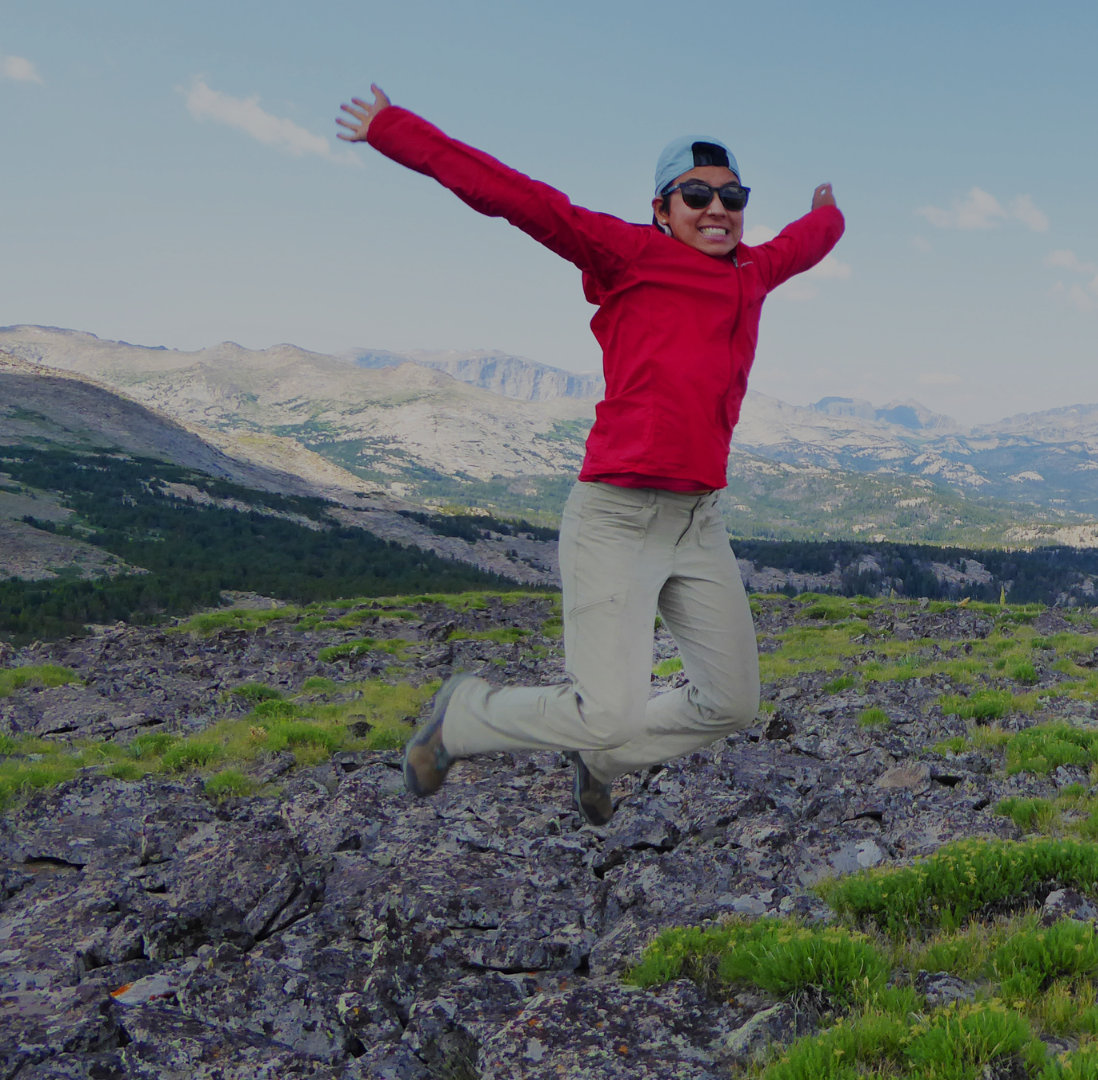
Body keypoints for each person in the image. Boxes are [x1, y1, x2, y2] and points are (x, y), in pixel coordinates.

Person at [336, 85, 843, 825]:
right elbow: (518, 198)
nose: (716, 207)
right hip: (617, 515)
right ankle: (466, 717)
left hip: (698, 523)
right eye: (694, 193)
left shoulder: (751, 274)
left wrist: (828, 210)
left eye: (731, 195)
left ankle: (601, 757)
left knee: (732, 703)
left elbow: (810, 241)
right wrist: (393, 130)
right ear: (661, 209)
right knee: (606, 709)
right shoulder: (627, 253)